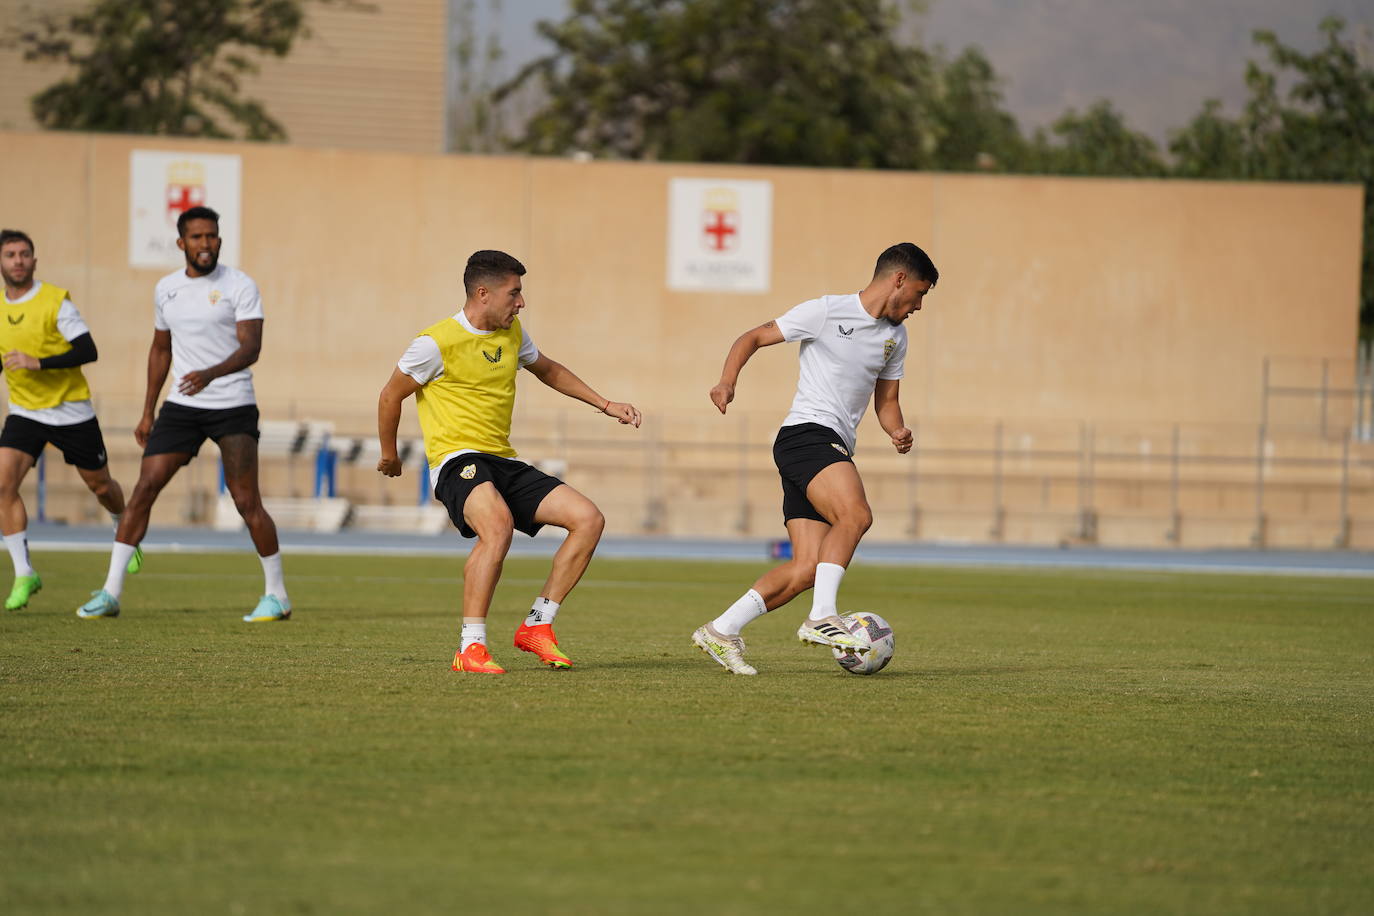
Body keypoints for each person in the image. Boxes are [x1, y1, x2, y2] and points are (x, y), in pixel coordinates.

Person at [376, 250, 641, 674]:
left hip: (502, 459)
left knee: (588, 519)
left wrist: (605, 404)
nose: (521, 303)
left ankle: (538, 625)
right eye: (514, 293)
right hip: (456, 460)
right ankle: (471, 647)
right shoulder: (434, 343)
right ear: (483, 293)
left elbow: (548, 370)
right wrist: (389, 454)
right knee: (497, 528)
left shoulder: (512, 332)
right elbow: (391, 395)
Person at [692, 242, 937, 675]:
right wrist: (726, 381)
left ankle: (720, 630)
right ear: (899, 279)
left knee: (807, 568)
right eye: (919, 294)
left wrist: (896, 429)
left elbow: (887, 401)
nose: (918, 306)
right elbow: (752, 337)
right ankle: (822, 616)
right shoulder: (826, 311)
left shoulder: (896, 337)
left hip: (826, 444)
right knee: (856, 515)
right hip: (807, 435)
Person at [76, 206, 290, 621]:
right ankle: (110, 592)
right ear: (181, 243)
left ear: (219, 240)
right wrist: (147, 411)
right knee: (144, 488)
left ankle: (277, 595)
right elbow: (161, 349)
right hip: (182, 406)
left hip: (232, 405)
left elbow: (251, 347)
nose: (205, 243)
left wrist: (210, 374)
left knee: (246, 500)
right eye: (196, 237)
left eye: (211, 236)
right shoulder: (166, 289)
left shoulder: (239, 285)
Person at [0, 229, 141, 611]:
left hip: (71, 411)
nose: (17, 261)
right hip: (25, 411)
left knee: (101, 486)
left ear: (34, 260)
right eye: (10, 254)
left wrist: (39, 363)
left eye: (24, 254)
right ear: (1, 262)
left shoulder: (55, 301)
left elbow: (88, 350)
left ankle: (122, 523)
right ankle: (24, 573)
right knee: (3, 484)